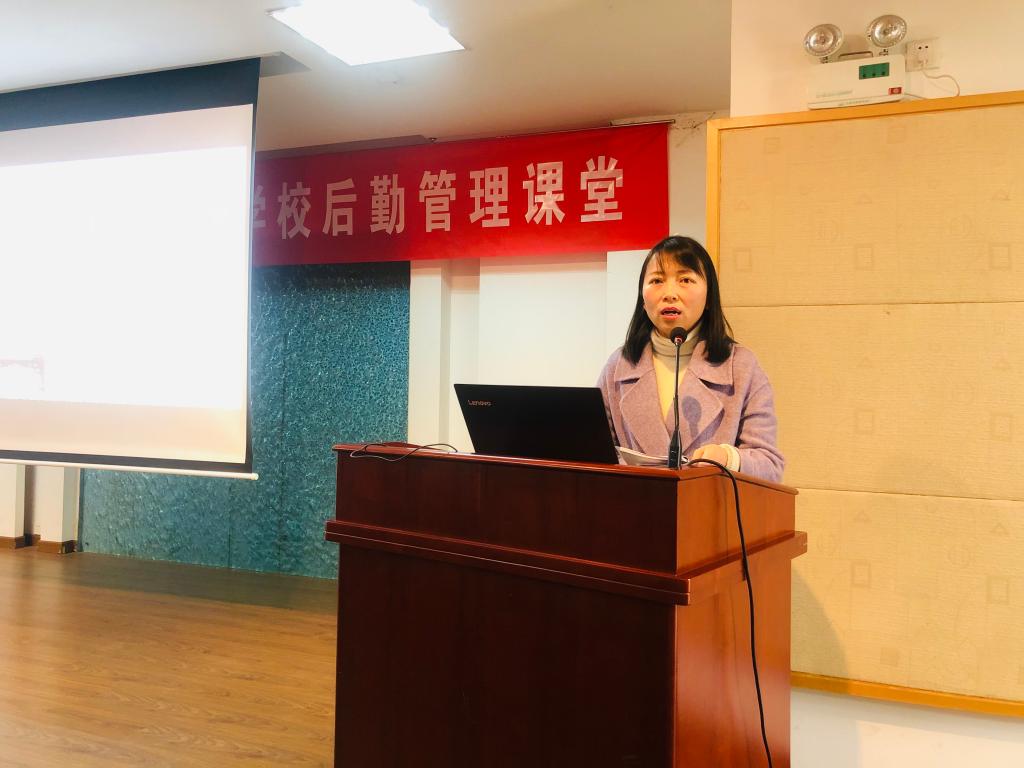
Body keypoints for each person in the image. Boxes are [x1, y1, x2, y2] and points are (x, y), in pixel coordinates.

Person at [597, 235, 784, 482]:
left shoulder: (741, 366)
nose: (670, 293)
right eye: (657, 280)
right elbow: (595, 453)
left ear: (708, 297)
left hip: (708, 505)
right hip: (632, 503)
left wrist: (728, 458)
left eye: (685, 280)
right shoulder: (618, 366)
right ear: (642, 298)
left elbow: (770, 465)